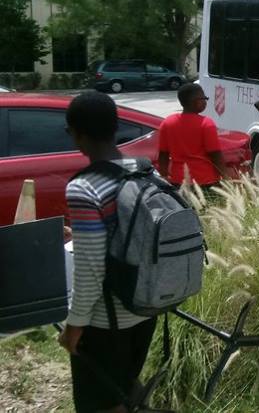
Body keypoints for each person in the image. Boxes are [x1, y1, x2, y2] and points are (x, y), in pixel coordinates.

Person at [59, 92, 157, 413]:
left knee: (100, 403)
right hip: (144, 309)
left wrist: (74, 326)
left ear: (77, 133)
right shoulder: (146, 171)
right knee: (125, 387)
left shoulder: (84, 187)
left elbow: (90, 271)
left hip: (104, 321)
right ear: (115, 128)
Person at [157, 82, 230, 188]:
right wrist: (226, 178)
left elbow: (163, 155)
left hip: (177, 181)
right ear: (195, 101)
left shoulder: (167, 123)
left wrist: (163, 177)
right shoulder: (206, 123)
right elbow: (215, 155)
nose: (205, 101)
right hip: (205, 181)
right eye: (204, 98)